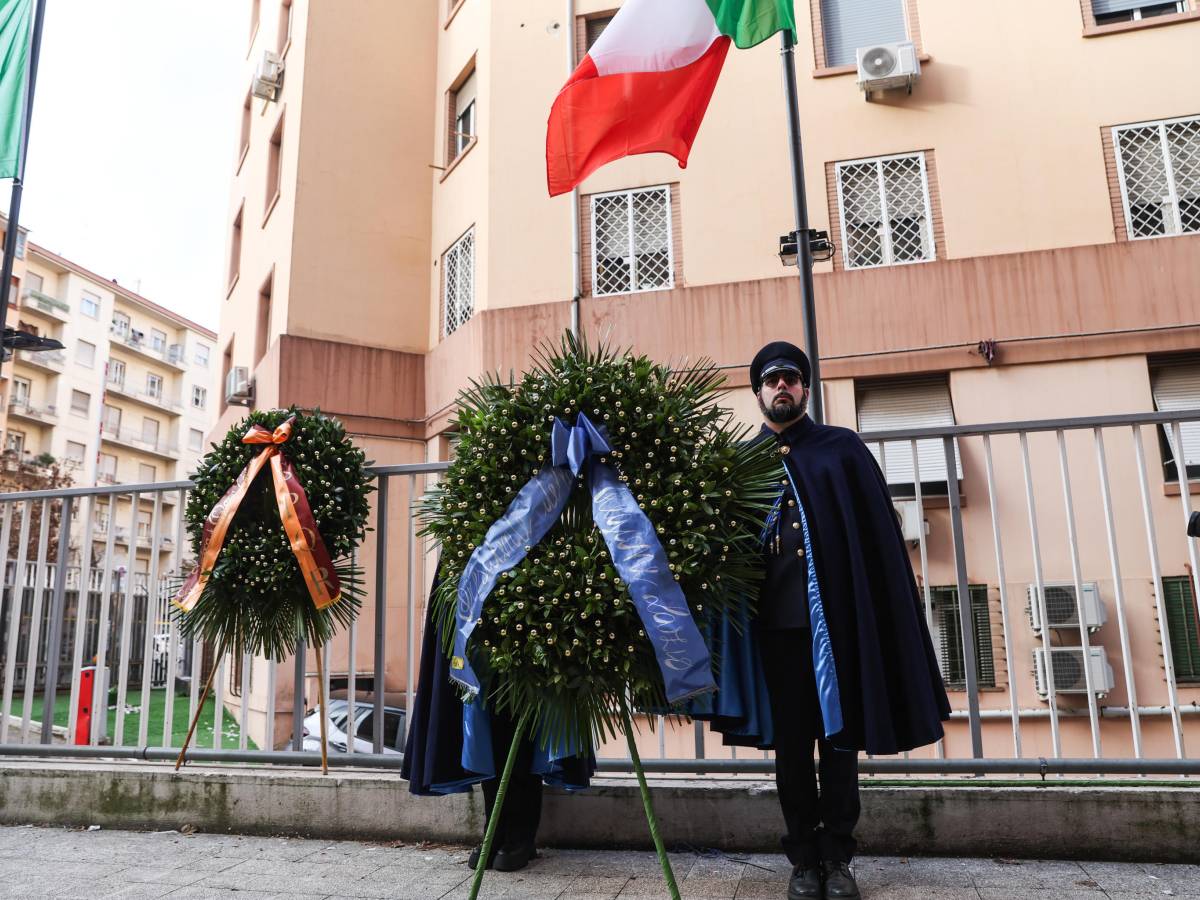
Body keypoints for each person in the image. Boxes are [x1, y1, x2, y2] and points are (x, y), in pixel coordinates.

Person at [746, 340, 951, 900]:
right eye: (771, 380)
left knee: (838, 742)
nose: (781, 386)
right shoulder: (745, 463)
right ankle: (801, 861)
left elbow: (877, 543)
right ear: (758, 391)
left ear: (805, 388)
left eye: (790, 377)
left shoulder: (841, 450)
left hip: (836, 626)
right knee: (791, 747)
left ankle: (838, 858)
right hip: (776, 630)